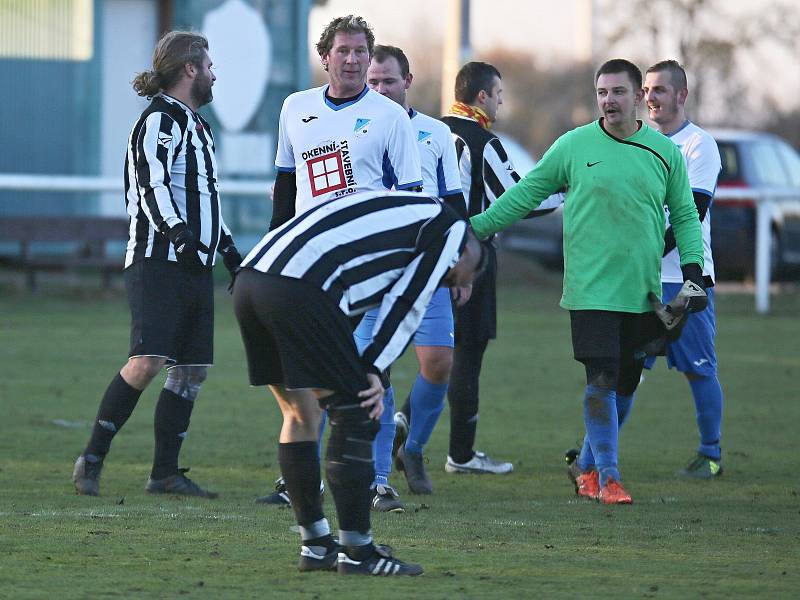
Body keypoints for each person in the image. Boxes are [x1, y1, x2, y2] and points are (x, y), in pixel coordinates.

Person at [469, 59, 707, 504]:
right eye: (602, 93)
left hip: (642, 292)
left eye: (618, 92)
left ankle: (586, 467)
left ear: (638, 97)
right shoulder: (574, 145)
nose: (609, 100)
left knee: (624, 388)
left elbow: (688, 216)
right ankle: (609, 478)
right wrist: (474, 228)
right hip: (591, 289)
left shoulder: (664, 153)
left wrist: (693, 272)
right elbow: (525, 194)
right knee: (601, 377)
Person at [233, 191, 486, 575]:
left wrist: (362, 364)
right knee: (357, 414)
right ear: (469, 253)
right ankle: (358, 552)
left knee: (301, 414)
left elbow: (352, 304)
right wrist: (373, 366)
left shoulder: (400, 212)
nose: (448, 283)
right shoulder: (452, 230)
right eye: (454, 277)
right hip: (302, 286)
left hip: (253, 279)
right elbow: (409, 299)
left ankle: (317, 546)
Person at [255, 15, 422, 506]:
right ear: (324, 56)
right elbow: (286, 186)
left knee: (371, 368)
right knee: (306, 371)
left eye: (360, 52)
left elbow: (410, 199)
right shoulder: (296, 107)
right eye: (343, 51)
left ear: (370, 58)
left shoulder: (390, 117)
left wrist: (402, 265)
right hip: (309, 267)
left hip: (369, 264)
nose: (352, 60)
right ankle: (299, 479)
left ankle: (376, 480)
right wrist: (269, 253)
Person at [71, 31, 242, 498]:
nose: (213, 73)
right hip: (158, 260)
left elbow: (204, 199)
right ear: (190, 69)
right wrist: (179, 235)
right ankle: (91, 458)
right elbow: (152, 186)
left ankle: (165, 473)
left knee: (190, 370)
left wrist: (226, 246)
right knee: (147, 362)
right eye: (208, 65)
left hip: (194, 264)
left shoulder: (198, 126)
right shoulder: (158, 122)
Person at [397, 61, 556, 476]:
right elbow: (522, 199)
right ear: (482, 96)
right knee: (467, 354)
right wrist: (567, 189)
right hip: (469, 257)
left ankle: (400, 425)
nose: (502, 102)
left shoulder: (423, 130)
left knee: (432, 353)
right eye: (499, 95)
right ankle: (460, 453)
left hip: (418, 255)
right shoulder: (483, 142)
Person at [354, 44, 467, 507]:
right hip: (373, 273)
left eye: (388, 81)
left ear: (408, 81)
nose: (380, 89)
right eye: (373, 81)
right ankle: (378, 478)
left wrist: (462, 265)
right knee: (372, 371)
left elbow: (454, 204)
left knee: (439, 362)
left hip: (426, 270)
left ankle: (413, 448)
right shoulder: (356, 128)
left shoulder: (436, 134)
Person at [643, 60, 724, 477]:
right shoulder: (641, 144)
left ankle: (710, 454)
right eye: (647, 89)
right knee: (624, 368)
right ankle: (592, 457)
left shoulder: (699, 146)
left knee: (698, 369)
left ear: (681, 95)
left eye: (659, 89)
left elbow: (691, 213)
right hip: (642, 280)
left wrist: (645, 252)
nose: (650, 97)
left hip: (687, 280)